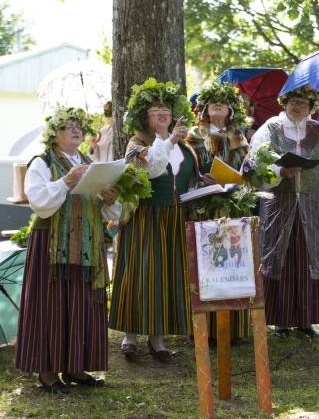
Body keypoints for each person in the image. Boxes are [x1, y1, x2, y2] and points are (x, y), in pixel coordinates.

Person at [15, 107, 120, 393]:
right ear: (54, 133)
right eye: (68, 126)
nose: (76, 130)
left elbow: (105, 209)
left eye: (78, 126)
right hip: (51, 244)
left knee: (80, 303)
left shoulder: (88, 162)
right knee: (50, 304)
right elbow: (38, 201)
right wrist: (65, 181)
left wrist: (110, 197)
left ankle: (75, 365)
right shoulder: (42, 162)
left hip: (85, 243)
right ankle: (47, 371)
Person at [109, 78, 198, 362]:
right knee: (141, 272)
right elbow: (149, 170)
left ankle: (158, 338)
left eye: (166, 109)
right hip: (145, 217)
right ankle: (130, 336)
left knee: (166, 275)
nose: (163, 113)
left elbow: (186, 176)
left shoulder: (186, 146)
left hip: (173, 218)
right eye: (155, 109)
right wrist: (169, 139)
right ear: (143, 116)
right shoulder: (137, 143)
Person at [250, 85, 319, 338]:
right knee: (278, 257)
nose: (297, 106)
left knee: (308, 258)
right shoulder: (269, 129)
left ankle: (306, 318)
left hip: (312, 204)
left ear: (311, 107)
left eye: (303, 103)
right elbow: (255, 163)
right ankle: (280, 319)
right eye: (293, 101)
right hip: (278, 203)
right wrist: (280, 171)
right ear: (284, 103)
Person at [185, 81, 251, 342]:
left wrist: (234, 177)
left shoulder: (238, 136)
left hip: (230, 208)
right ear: (204, 109)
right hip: (202, 208)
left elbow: (245, 170)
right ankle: (201, 330)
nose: (218, 105)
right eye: (213, 102)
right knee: (204, 268)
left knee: (231, 265)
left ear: (231, 110)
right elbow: (186, 169)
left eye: (223, 103)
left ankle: (232, 330)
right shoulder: (193, 135)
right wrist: (201, 179)